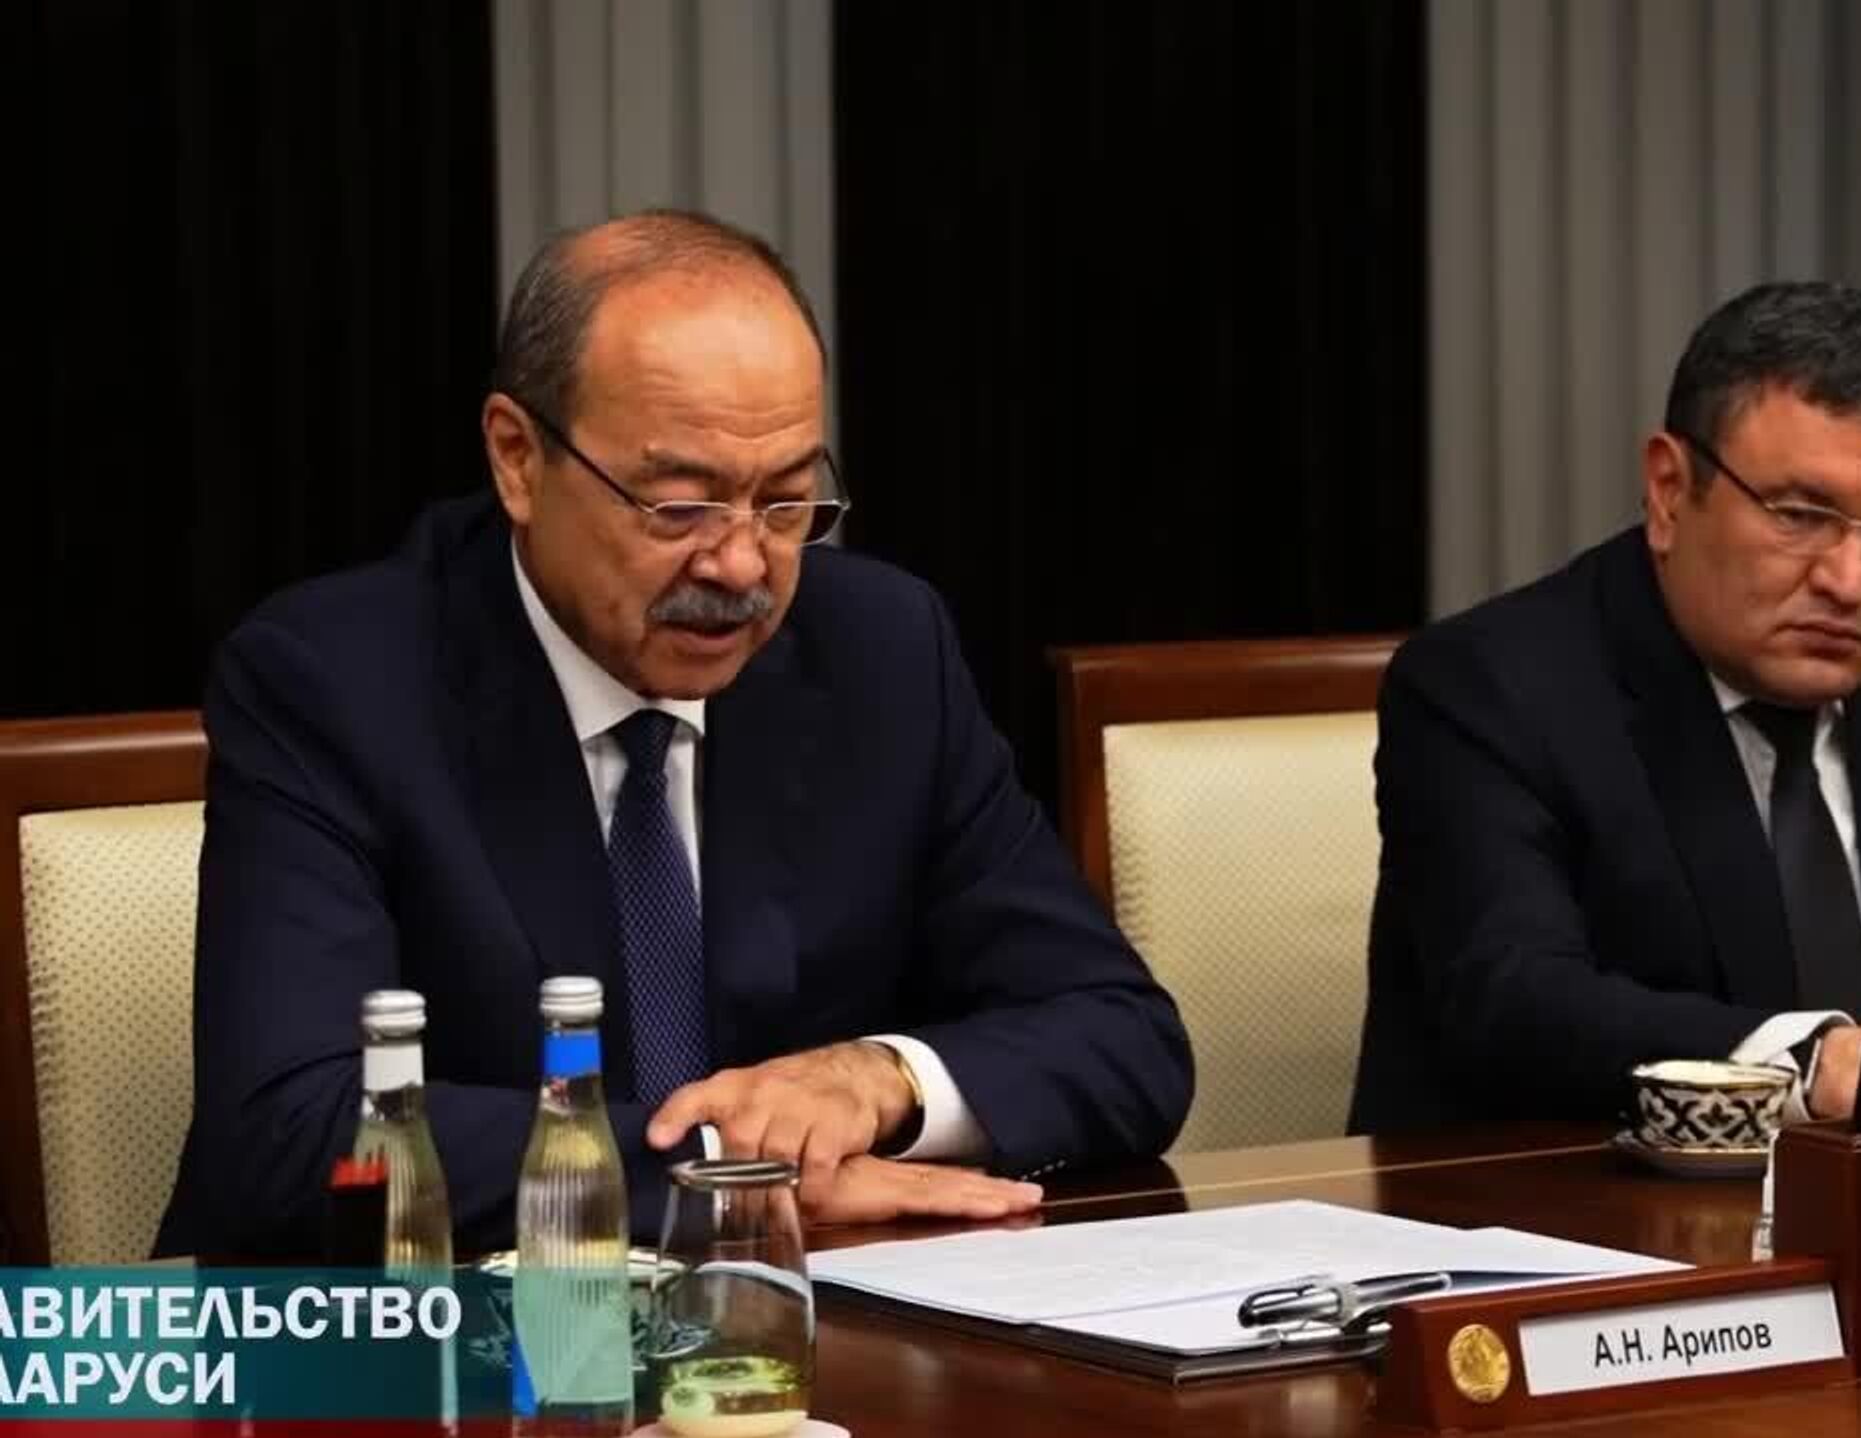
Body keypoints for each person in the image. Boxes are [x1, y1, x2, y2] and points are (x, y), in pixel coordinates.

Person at [156, 210, 1193, 1258]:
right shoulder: (336, 682)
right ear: (518, 459)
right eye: (680, 506)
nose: (741, 565)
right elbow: (291, 1134)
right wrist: (732, 1175)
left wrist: (879, 1079)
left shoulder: (880, 653)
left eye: (786, 502)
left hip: (804, 1329)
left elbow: (1124, 1036)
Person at [1351, 281, 1861, 1134]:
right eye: (1801, 516)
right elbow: (1516, 1000)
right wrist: (1819, 1065)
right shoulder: (1489, 687)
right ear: (1668, 491)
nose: (1850, 580)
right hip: (1556, 1198)